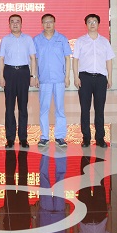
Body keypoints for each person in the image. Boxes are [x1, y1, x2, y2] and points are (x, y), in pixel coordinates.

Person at [72, 14, 115, 148]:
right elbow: (75, 60)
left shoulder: (104, 42)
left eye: (94, 21)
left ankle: (100, 138)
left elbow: (109, 60)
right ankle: (86, 138)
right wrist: (76, 77)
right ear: (86, 24)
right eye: (89, 22)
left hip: (101, 78)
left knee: (99, 109)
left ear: (98, 24)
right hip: (85, 78)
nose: (92, 24)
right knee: (85, 109)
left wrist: (110, 77)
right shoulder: (80, 41)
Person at [0, 14, 37, 149]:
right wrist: (1, 76)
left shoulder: (28, 39)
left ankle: (23, 138)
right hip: (9, 72)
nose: (15, 24)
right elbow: (1, 59)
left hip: (23, 72)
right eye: (12, 22)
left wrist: (33, 76)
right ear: (9, 24)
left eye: (17, 21)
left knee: (23, 107)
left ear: (21, 24)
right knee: (9, 107)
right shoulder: (5, 40)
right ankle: (10, 138)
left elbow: (33, 58)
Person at [33, 14, 71, 148]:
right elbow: (34, 59)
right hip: (44, 79)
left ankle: (60, 136)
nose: (48, 24)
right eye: (45, 22)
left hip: (59, 79)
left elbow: (67, 58)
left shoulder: (62, 39)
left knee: (60, 108)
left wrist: (67, 77)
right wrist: (35, 76)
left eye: (50, 22)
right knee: (44, 109)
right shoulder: (37, 40)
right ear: (41, 24)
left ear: (54, 23)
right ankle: (44, 137)